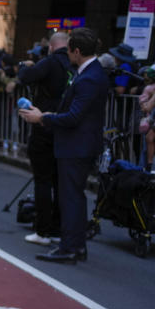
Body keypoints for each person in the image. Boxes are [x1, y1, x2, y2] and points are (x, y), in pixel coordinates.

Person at [19, 27, 109, 264]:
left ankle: (70, 247)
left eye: (69, 50)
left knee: (71, 198)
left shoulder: (90, 77)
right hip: (77, 143)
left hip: (77, 146)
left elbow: (74, 117)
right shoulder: (89, 73)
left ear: (77, 51)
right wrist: (47, 114)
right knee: (73, 197)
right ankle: (75, 245)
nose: (67, 55)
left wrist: (42, 118)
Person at [11, 31, 71, 246]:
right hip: (66, 126)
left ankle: (43, 230)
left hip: (44, 123)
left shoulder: (51, 62)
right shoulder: (75, 65)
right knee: (59, 181)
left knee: (43, 180)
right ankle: (56, 228)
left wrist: (27, 65)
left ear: (52, 47)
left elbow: (25, 77)